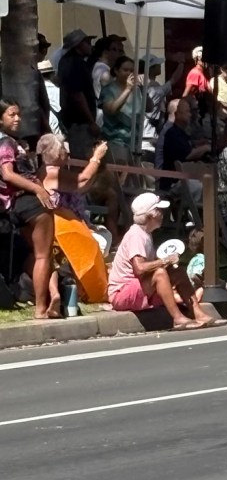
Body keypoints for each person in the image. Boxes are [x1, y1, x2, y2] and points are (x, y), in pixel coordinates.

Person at [106, 191, 217, 328]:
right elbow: (139, 268)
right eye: (158, 210)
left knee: (178, 272)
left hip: (138, 287)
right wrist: (165, 261)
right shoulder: (136, 236)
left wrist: (166, 264)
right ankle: (177, 318)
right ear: (149, 216)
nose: (162, 213)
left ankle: (198, 313)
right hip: (121, 294)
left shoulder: (145, 234)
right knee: (160, 274)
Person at [0, 99, 59, 319]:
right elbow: (7, 174)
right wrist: (38, 189)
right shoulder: (6, 143)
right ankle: (41, 308)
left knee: (35, 254)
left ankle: (53, 295)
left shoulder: (13, 142)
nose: (17, 119)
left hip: (13, 206)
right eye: (11, 115)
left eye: (18, 114)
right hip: (30, 202)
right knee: (44, 255)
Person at [36, 132, 108, 219]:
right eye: (63, 148)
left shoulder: (49, 169)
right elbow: (82, 180)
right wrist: (96, 157)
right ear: (56, 152)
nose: (67, 152)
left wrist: (97, 167)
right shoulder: (52, 172)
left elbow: (83, 186)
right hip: (62, 223)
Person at [57, 29, 102, 161]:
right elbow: (77, 94)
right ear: (78, 45)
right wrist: (91, 121)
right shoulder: (74, 64)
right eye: (87, 42)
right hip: (79, 122)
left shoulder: (67, 61)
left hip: (76, 122)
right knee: (83, 159)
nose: (90, 45)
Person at [99, 55, 144, 152]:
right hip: (116, 140)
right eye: (125, 70)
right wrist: (128, 89)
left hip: (135, 141)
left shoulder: (137, 90)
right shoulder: (109, 90)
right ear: (116, 71)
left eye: (132, 71)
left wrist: (144, 90)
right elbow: (111, 110)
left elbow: (149, 108)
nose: (129, 73)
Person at [90, 35, 124, 106]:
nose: (120, 53)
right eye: (115, 49)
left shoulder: (105, 68)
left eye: (121, 50)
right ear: (105, 52)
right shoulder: (103, 70)